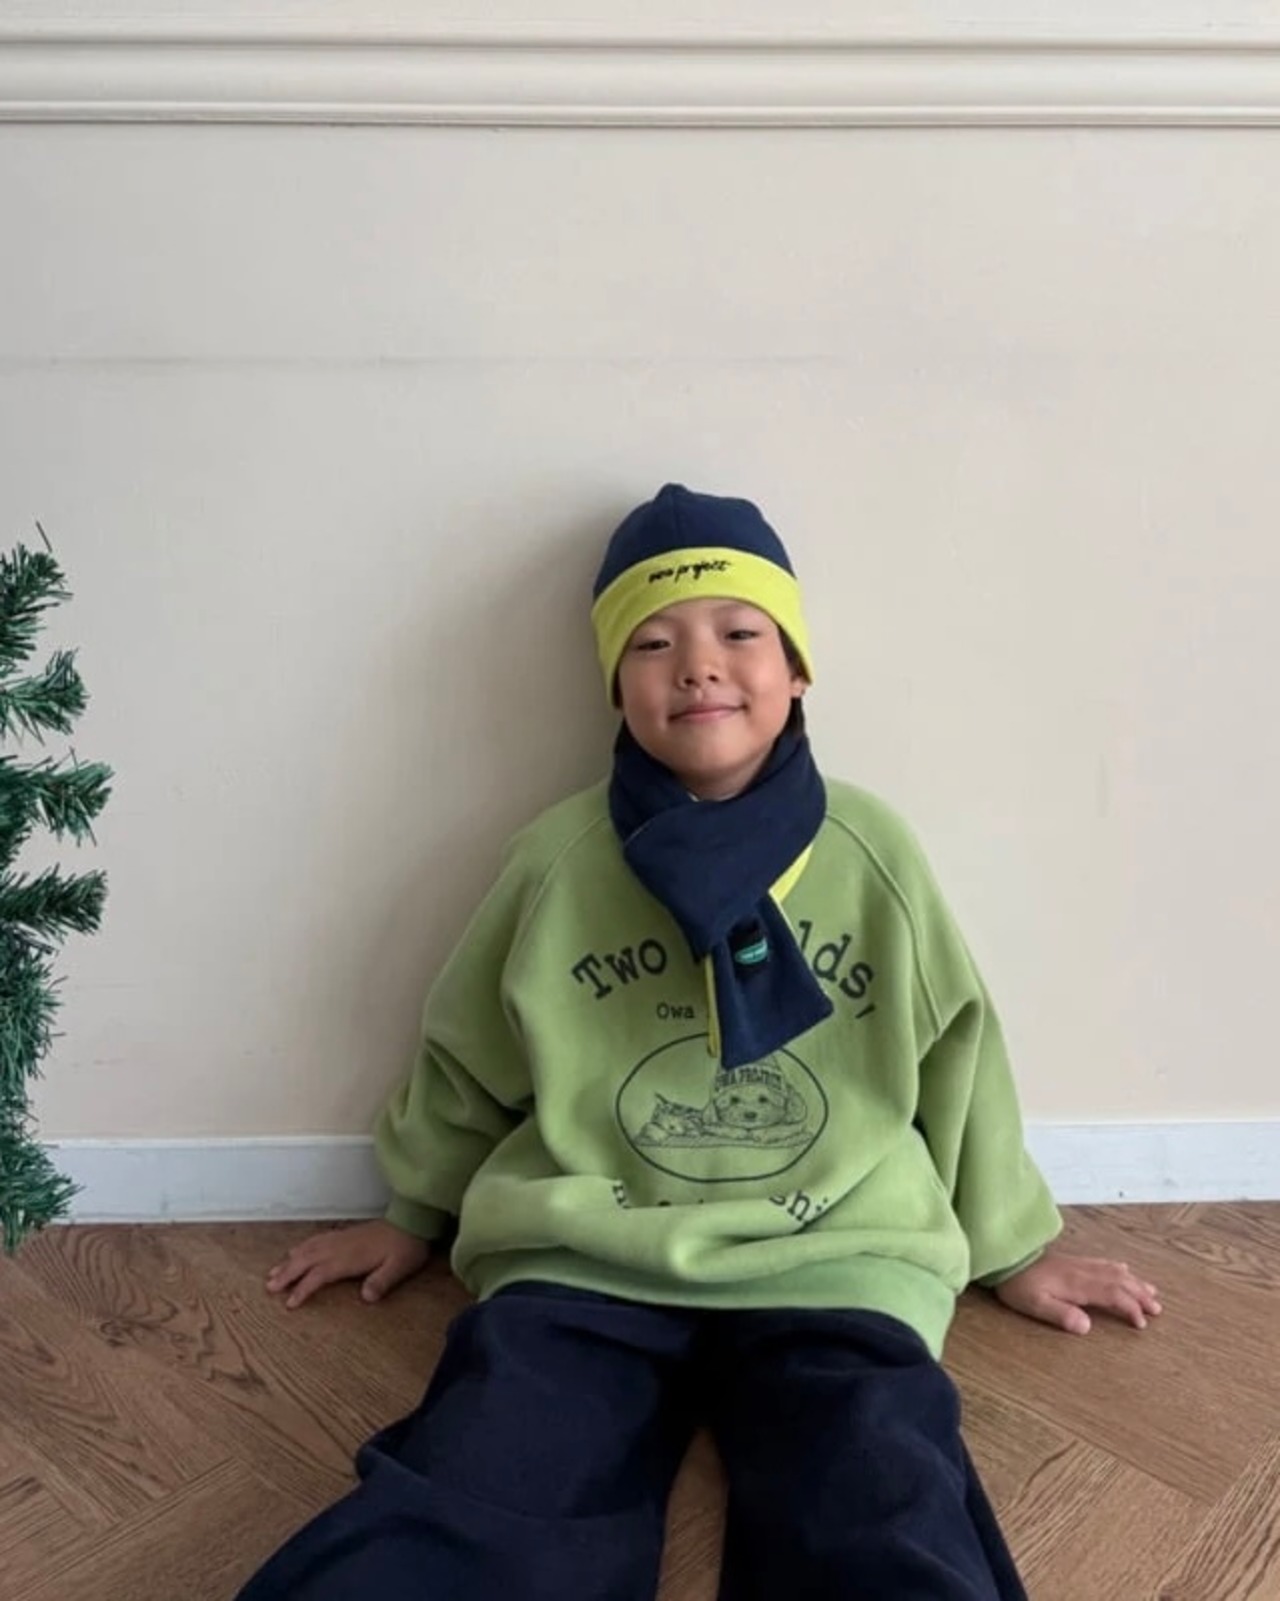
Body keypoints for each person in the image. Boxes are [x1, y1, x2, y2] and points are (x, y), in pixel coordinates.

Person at [238, 484, 1161, 1600]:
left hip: (835, 1250)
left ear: (797, 668)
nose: (698, 666)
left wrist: (1013, 1245)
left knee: (877, 1497)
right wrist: (412, 1210)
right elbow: (470, 1047)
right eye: (652, 642)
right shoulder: (556, 858)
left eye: (739, 632)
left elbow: (958, 1055)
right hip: (590, 1251)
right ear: (613, 682)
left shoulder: (872, 848)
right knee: (488, 1478)